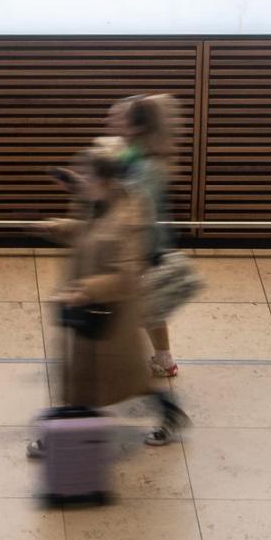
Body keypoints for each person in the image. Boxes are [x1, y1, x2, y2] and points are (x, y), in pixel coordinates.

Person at [30, 147, 188, 454]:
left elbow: (126, 276)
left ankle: (57, 440)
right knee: (115, 379)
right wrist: (54, 226)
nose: (80, 181)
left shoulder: (125, 219)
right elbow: (86, 232)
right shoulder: (102, 204)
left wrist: (86, 290)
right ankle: (170, 413)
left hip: (110, 315)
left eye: (86, 176)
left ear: (104, 181)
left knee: (97, 380)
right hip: (91, 307)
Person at [106, 93, 185, 378]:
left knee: (123, 300)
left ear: (137, 127)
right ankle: (163, 360)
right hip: (141, 244)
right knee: (147, 302)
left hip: (140, 245)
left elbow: (134, 208)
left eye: (118, 119)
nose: (111, 122)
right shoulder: (132, 152)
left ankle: (123, 359)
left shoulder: (147, 166)